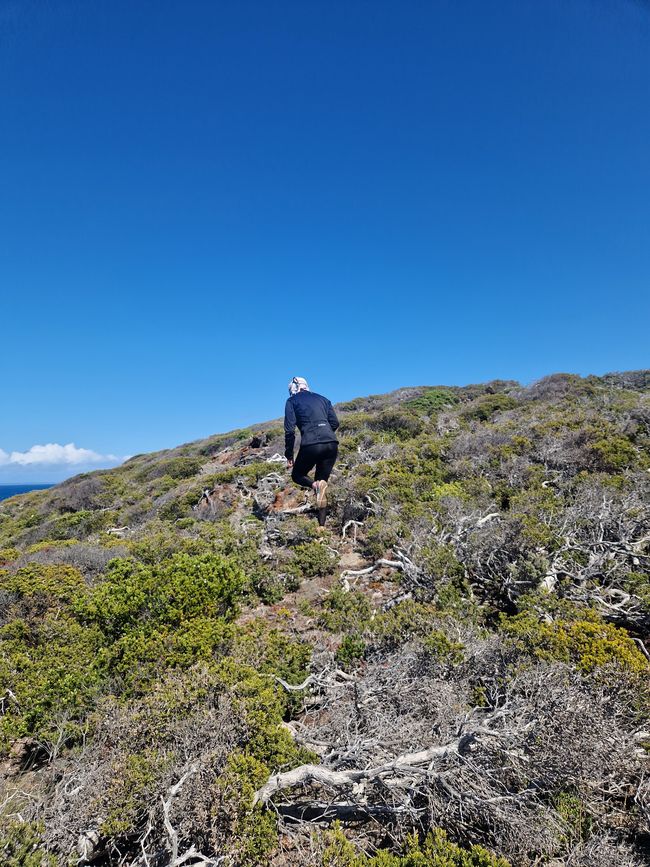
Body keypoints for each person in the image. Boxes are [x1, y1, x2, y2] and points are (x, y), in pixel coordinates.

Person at [284, 376, 339, 525]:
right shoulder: (323, 399)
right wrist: (325, 433)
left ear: (292, 389)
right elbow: (335, 422)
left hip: (311, 444)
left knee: (298, 475)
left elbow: (289, 431)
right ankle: (321, 527)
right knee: (322, 484)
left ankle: (314, 485)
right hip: (331, 443)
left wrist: (289, 455)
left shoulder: (291, 401)